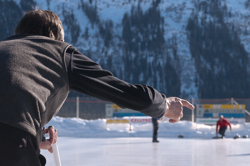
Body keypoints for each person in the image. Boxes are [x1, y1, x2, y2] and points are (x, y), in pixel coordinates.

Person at [0, 9, 194, 166]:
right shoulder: (60, 53)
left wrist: (34, 136)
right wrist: (166, 106)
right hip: (13, 143)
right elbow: (121, 91)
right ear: (58, 41)